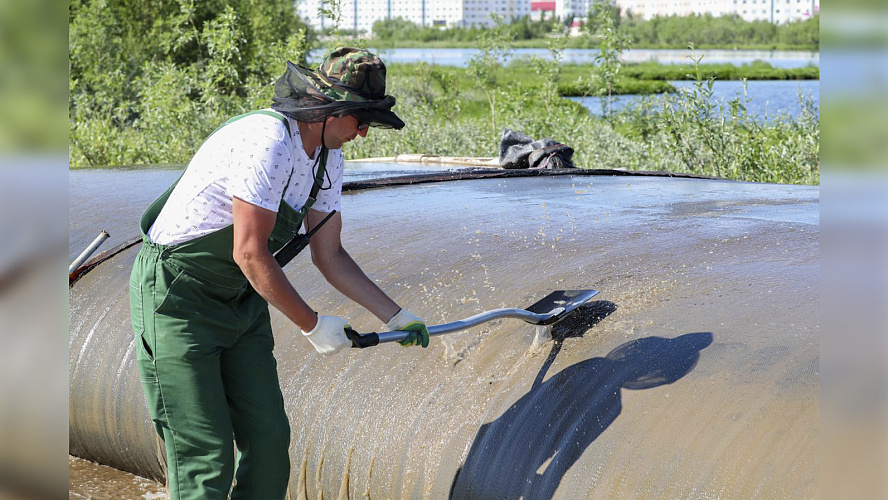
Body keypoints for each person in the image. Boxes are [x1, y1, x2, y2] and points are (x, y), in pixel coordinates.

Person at [128, 47, 430, 500]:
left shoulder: (329, 159)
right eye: (361, 120)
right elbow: (250, 252)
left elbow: (331, 255)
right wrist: (312, 325)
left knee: (269, 441)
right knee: (206, 457)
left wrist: (395, 315)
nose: (364, 133)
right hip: (178, 298)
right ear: (330, 110)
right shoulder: (267, 142)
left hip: (241, 301)